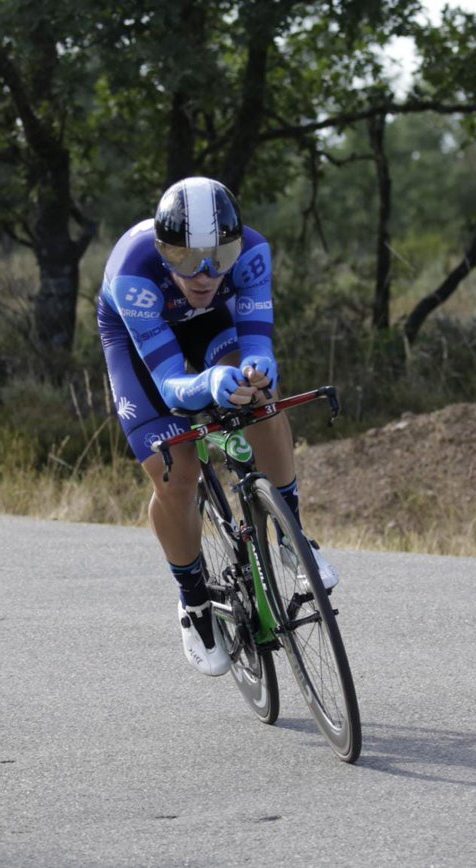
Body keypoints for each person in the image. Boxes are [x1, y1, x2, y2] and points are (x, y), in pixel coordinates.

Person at [96, 176, 338, 677]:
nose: (204, 275)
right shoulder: (134, 276)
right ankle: (194, 603)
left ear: (235, 246)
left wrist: (257, 369)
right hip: (140, 344)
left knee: (262, 401)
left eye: (218, 259)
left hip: (211, 328)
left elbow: (256, 344)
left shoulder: (252, 254)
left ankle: (292, 538)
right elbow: (169, 385)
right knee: (176, 470)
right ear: (164, 251)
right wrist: (209, 383)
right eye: (185, 260)